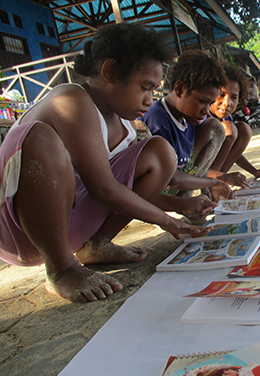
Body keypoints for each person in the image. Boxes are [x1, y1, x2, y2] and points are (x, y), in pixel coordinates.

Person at [0, 23, 212, 303]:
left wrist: (183, 204)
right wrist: (166, 221)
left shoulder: (124, 124)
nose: (150, 100)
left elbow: (130, 188)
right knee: (41, 138)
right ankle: (61, 269)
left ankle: (94, 244)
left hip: (70, 226)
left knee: (160, 154)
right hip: (21, 233)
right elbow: (103, 188)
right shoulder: (70, 99)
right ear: (110, 72)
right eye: (145, 88)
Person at [140, 50, 241, 195]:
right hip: (160, 194)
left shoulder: (189, 117)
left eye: (210, 104)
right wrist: (214, 182)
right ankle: (182, 203)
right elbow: (170, 179)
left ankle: (192, 197)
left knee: (215, 127)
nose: (206, 110)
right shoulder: (157, 121)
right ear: (180, 89)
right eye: (202, 101)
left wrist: (207, 192)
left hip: (182, 179)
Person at [207, 62, 260, 181]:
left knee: (244, 129)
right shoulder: (199, 117)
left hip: (214, 170)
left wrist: (255, 172)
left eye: (234, 97)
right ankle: (214, 183)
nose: (227, 103)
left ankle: (216, 181)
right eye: (221, 95)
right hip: (198, 170)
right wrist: (223, 178)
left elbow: (233, 153)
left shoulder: (226, 118)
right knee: (229, 129)